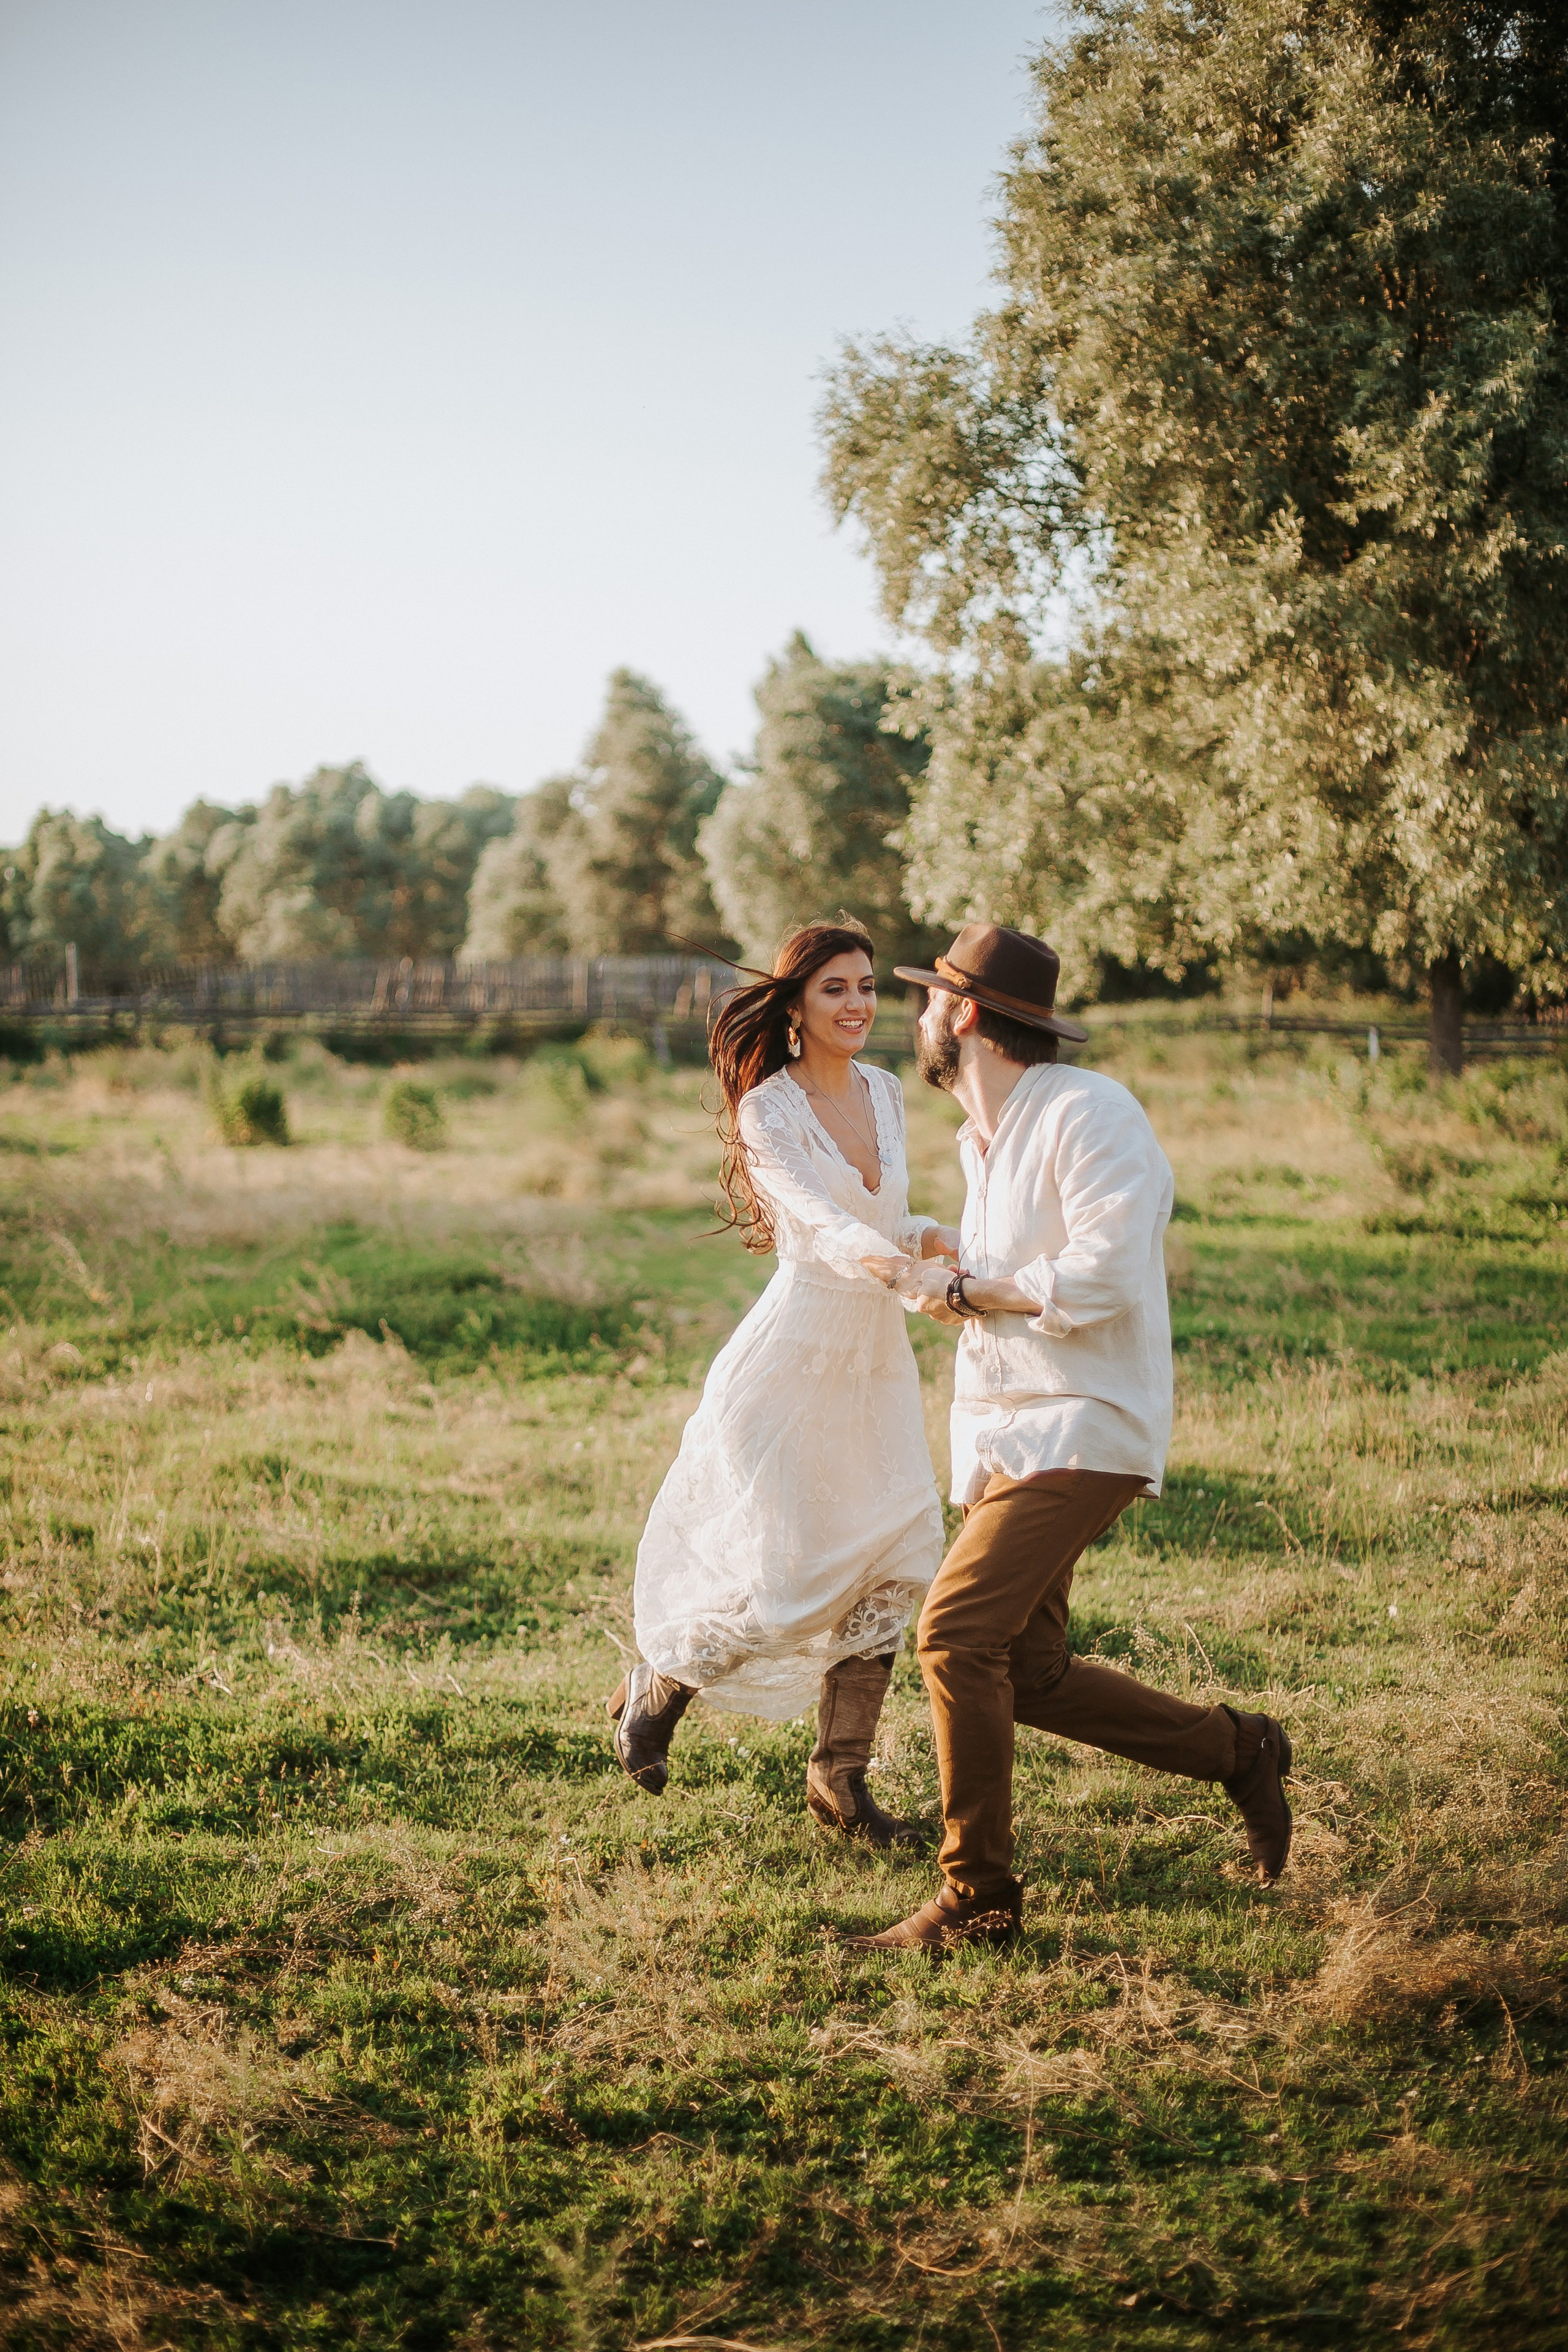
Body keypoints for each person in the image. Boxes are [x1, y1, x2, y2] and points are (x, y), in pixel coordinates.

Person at [846, 924, 1294, 1951]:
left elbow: (1100, 1270)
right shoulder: (981, 1141)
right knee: (1031, 1667)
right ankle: (1240, 1751)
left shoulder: (1094, 1112)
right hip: (1006, 1433)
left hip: (1086, 1423)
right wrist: (938, 1258)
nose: (915, 1019)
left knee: (955, 1634)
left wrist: (964, 1289)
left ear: (963, 1015)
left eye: (927, 1000)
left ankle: (978, 1901)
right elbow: (1013, 1272)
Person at [608, 918, 957, 1845]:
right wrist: (892, 1266)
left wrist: (928, 1239)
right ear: (796, 1006)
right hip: (794, 1358)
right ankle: (665, 1679)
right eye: (836, 988)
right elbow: (818, 1219)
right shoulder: (771, 1108)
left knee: (894, 1561)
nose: (858, 1004)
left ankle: (841, 1785)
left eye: (869, 987)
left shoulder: (885, 1092)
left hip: (874, 1365)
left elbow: (880, 1212)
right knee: (789, 1574)